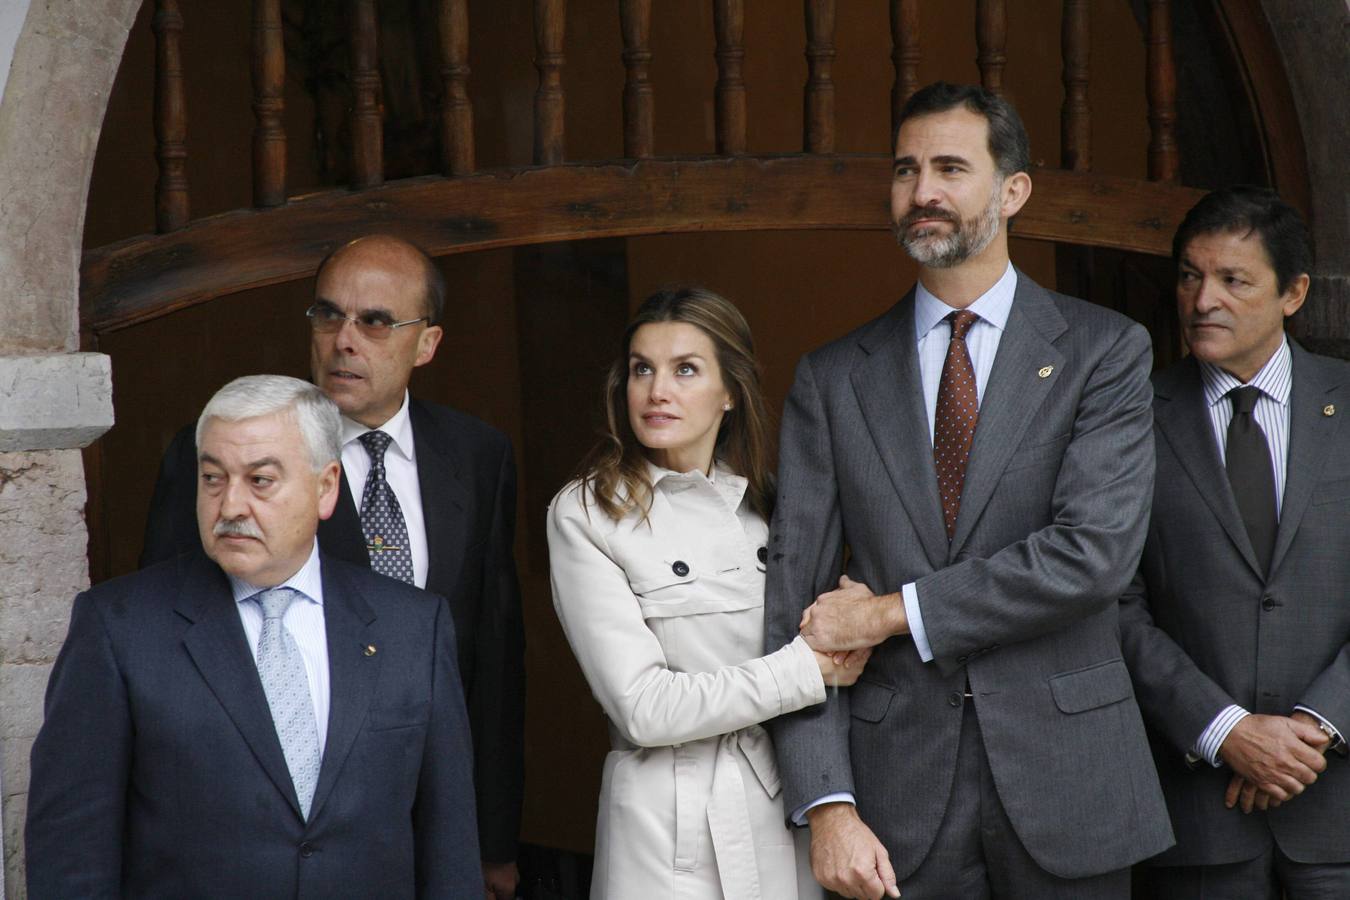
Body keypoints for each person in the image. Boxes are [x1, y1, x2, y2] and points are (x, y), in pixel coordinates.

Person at [763, 81, 1174, 899]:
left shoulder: (1106, 351)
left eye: (951, 168)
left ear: (1013, 190)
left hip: (1074, 784)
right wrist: (828, 805)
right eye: (906, 170)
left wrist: (887, 612)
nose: (923, 193)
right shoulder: (833, 376)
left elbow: (1089, 558)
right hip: (891, 803)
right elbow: (795, 603)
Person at [139, 235, 524, 897]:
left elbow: (492, 657)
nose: (345, 340)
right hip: (275, 827)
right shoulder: (222, 458)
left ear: (427, 343)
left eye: (375, 321)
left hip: (429, 820)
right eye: (328, 316)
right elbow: (167, 649)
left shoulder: (477, 454)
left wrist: (492, 841)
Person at [26, 375, 481, 897]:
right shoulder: (119, 628)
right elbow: (70, 856)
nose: (231, 506)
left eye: (260, 480)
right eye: (213, 479)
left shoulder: (413, 629)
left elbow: (450, 850)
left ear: (325, 486)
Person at [546, 287, 871, 899]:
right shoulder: (587, 512)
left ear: (729, 391)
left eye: (685, 370)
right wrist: (805, 669)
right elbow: (643, 707)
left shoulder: (775, 507)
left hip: (780, 805)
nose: (656, 390)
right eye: (642, 369)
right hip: (663, 824)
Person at [1119, 186, 1349, 899]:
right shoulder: (1129, 417)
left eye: (1232, 279)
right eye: (1190, 276)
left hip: (1338, 813)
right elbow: (1111, 601)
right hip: (1196, 826)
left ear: (1294, 292)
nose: (1203, 299)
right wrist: (1227, 731)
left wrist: (1313, 729)